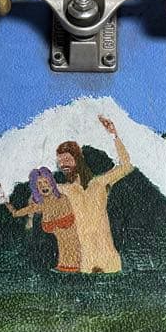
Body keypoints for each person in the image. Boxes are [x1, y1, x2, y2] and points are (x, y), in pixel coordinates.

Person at [56, 115, 133, 274]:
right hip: (86, 263)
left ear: (78, 159)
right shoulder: (65, 190)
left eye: (67, 159)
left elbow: (126, 166)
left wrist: (114, 135)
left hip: (109, 262)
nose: (63, 164)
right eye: (60, 161)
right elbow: (40, 190)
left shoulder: (98, 184)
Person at [0, 168, 80, 272]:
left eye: (45, 182)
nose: (43, 186)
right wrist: (5, 201)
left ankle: (70, 266)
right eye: (39, 184)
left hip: (68, 232)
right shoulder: (40, 204)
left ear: (52, 183)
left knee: (70, 246)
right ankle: (66, 266)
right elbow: (16, 213)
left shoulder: (63, 198)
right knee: (63, 247)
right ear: (36, 188)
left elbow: (70, 218)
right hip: (55, 233)